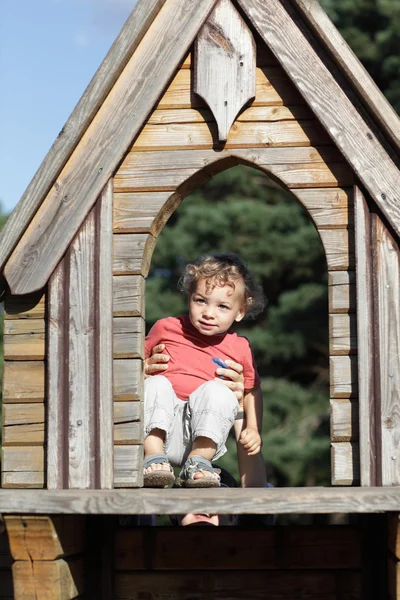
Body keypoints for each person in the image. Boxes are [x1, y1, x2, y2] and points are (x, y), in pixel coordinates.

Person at [143, 253, 266, 488]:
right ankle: (153, 456)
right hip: (158, 425)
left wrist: (253, 428)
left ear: (240, 311)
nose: (209, 313)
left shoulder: (239, 348)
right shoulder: (165, 328)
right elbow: (133, 362)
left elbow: (251, 391)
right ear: (189, 297)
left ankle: (198, 462)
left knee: (218, 391)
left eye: (222, 306)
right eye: (201, 300)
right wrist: (143, 369)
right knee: (156, 384)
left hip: (201, 432)